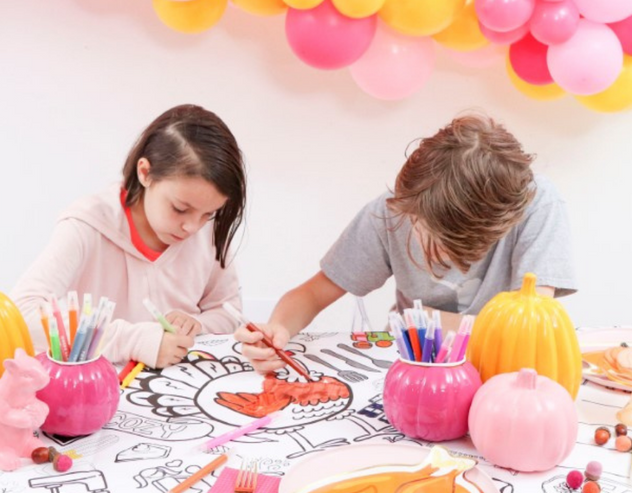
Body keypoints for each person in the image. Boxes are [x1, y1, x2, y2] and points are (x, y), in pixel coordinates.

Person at [235, 113, 576, 374]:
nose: (420, 241)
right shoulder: (398, 208)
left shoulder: (537, 205)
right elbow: (312, 294)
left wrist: (425, 319)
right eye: (418, 225)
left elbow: (528, 332)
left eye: (438, 243)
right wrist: (278, 329)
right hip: (414, 366)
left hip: (496, 376)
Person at [12, 104, 246, 369]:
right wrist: (133, 340)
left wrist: (198, 324)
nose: (192, 227)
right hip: (99, 391)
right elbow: (22, 313)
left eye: (209, 214)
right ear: (145, 172)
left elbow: (229, 312)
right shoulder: (87, 225)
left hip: (181, 389)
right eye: (180, 209)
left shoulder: (205, 232)